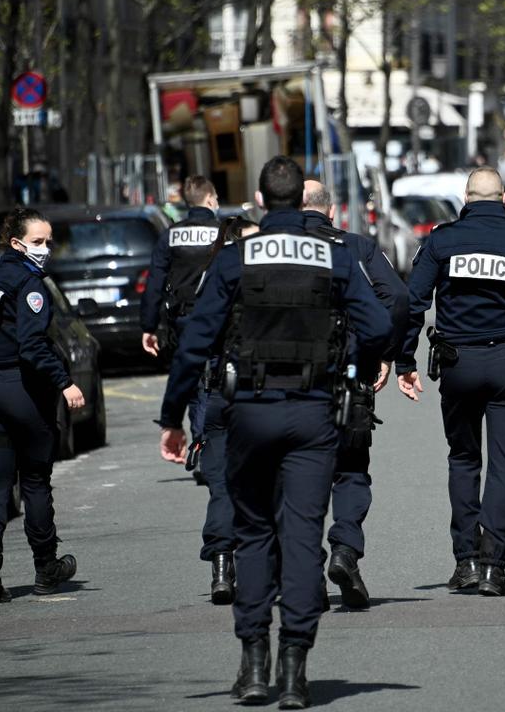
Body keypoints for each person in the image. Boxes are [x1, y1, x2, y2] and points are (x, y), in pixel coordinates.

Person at [156, 156, 391, 707]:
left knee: (255, 534)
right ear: (301, 200)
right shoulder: (332, 254)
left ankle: (254, 662)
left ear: (260, 201)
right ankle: (294, 669)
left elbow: (195, 340)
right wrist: (352, 370)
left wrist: (172, 419)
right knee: (303, 537)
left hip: (250, 413)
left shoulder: (235, 257)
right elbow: (379, 323)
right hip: (313, 415)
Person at [396, 167, 505, 596]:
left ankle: (466, 561)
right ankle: (495, 565)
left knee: (463, 459)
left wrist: (404, 361)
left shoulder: (441, 241)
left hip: (458, 365)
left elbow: (412, 302)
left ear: (466, 198)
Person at [298, 179, 408, 609]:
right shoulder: (354, 246)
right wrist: (382, 353)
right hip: (347, 378)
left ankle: (307, 575)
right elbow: (396, 296)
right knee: (350, 470)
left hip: (285, 384)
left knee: (298, 477)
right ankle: (344, 549)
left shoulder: (271, 247)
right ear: (330, 212)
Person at [0, 207, 84, 604]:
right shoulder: (29, 284)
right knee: (34, 482)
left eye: (48, 241)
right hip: (20, 391)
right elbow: (32, 344)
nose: (46, 249)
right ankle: (46, 568)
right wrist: (64, 382)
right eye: (38, 242)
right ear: (16, 243)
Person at [162, 215, 260, 606]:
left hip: (220, 392)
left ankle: (222, 563)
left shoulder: (213, 278)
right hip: (258, 395)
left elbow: (192, 342)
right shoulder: (269, 277)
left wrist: (172, 416)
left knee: (222, 486)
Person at [141, 176, 222, 441]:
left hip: (183, 319)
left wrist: (148, 326)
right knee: (218, 381)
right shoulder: (224, 232)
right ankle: (211, 439)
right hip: (218, 320)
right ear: (210, 199)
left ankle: (199, 438)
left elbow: (154, 282)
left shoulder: (171, 235)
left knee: (193, 380)